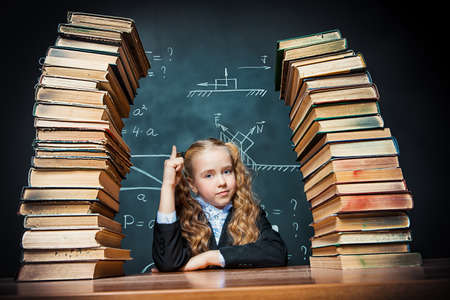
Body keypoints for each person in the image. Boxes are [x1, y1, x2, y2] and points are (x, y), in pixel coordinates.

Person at [152, 138, 288, 272]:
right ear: (193, 184)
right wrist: (168, 186)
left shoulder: (250, 212)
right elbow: (168, 263)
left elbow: (276, 252)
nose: (222, 182)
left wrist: (209, 258)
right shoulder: (184, 217)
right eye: (209, 175)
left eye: (227, 171)